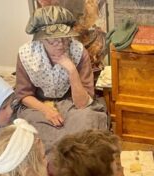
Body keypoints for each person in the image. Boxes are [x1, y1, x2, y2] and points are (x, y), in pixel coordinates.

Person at [15, 5, 107, 152]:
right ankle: (52, 168)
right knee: (33, 133)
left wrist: (72, 71)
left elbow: (83, 103)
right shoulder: (27, 54)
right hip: (39, 104)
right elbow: (24, 94)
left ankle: (77, 165)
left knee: (87, 122)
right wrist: (46, 110)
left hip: (72, 102)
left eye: (64, 39)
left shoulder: (77, 51)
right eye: (53, 41)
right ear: (40, 39)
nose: (61, 45)